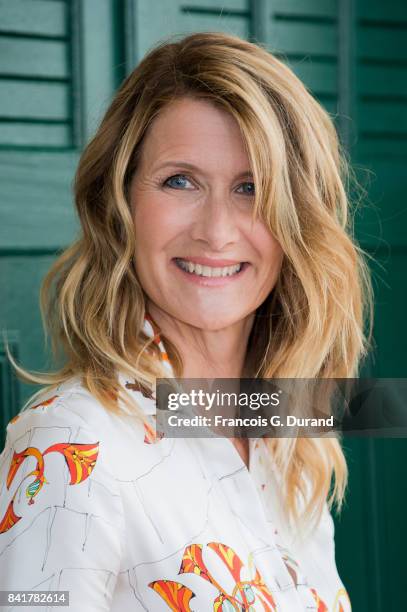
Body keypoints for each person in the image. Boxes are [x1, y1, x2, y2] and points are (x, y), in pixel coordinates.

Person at [0, 31, 372, 611]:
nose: (217, 231)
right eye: (180, 181)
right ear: (118, 204)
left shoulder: (283, 426)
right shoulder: (69, 443)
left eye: (253, 188)